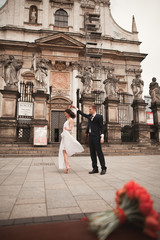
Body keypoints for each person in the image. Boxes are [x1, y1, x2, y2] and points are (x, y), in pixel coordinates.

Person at [71, 105, 107, 175]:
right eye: (89, 110)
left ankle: (103, 168)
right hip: (90, 137)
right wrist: (76, 109)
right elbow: (83, 114)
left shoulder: (99, 117)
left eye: (90, 109)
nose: (89, 111)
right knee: (92, 153)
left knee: (99, 153)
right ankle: (95, 168)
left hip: (97, 137)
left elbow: (102, 127)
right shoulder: (89, 116)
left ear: (94, 109)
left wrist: (102, 137)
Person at [58, 109, 84, 173]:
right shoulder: (67, 120)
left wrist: (67, 129)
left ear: (68, 114)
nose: (65, 114)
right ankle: (67, 164)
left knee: (64, 150)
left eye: (65, 113)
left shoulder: (71, 120)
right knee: (64, 151)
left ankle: (67, 165)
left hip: (67, 136)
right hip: (64, 136)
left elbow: (71, 129)